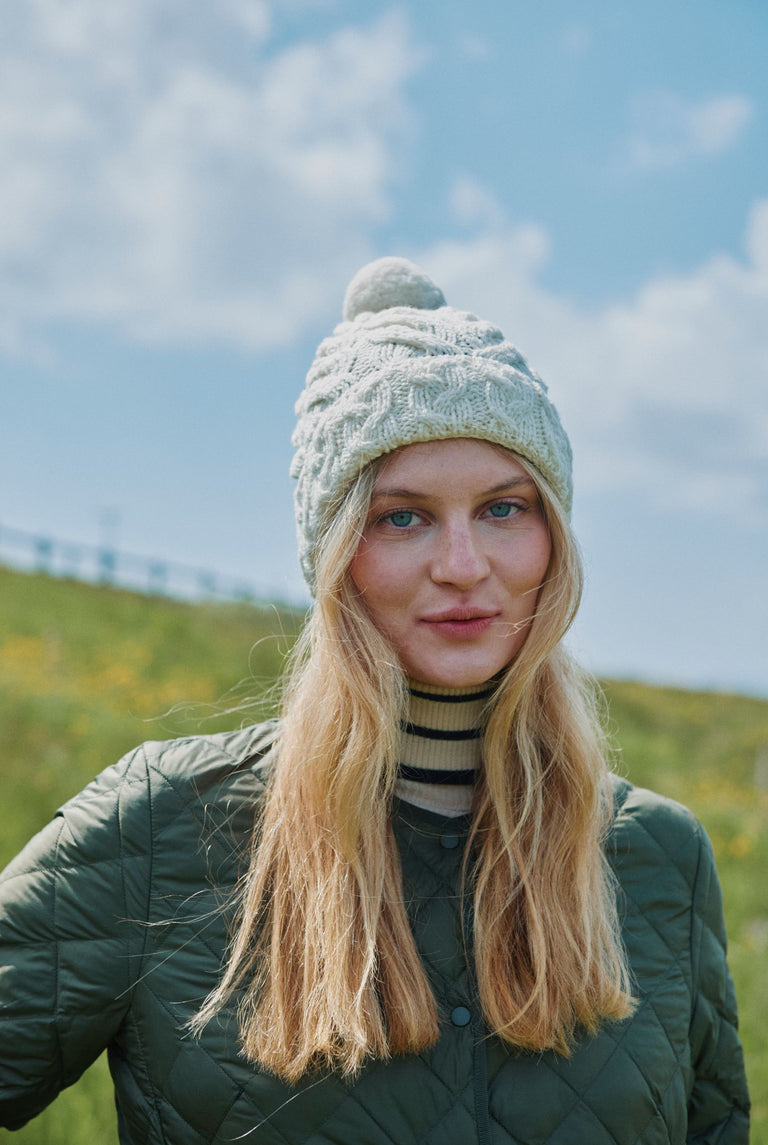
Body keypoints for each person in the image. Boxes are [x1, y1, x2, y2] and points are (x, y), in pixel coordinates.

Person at [0, 257, 750, 1144]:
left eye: (505, 509)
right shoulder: (159, 829)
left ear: (555, 533)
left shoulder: (659, 857)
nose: (465, 564)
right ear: (333, 551)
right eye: (404, 516)